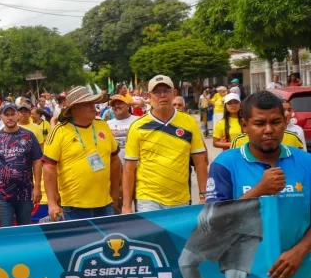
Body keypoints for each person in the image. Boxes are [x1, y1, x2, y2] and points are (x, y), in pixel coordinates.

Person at [184, 91, 311, 278]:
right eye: (259, 123)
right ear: (244, 125)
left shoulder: (305, 162)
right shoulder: (226, 165)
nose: (268, 130)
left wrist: (300, 250)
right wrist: (260, 190)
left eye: (275, 122)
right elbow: (215, 220)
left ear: (285, 121)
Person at [122, 75, 208, 213]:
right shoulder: (137, 126)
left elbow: (200, 162)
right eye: (156, 92)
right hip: (148, 198)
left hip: (180, 198)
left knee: (179, 235)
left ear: (174, 93)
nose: (162, 95)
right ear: (149, 96)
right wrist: (126, 206)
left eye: (166, 91)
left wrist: (204, 196)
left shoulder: (189, 122)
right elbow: (129, 169)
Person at [42, 86, 121, 221]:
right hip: (74, 207)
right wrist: (52, 203)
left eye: (93, 103)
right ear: (74, 108)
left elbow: (114, 160)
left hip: (105, 204)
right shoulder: (59, 131)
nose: (93, 107)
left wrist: (114, 194)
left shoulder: (102, 125)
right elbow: (49, 167)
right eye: (88, 104)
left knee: (105, 242)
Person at [0, 103, 43, 227]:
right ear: (1, 117)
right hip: (2, 194)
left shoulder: (29, 136)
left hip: (25, 193)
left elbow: (37, 160)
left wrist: (37, 187)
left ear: (18, 115)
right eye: (6, 115)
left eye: (12, 114)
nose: (10, 118)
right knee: (5, 231)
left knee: (24, 231)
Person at [106, 94, 138, 170]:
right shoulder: (106, 125)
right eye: (114, 105)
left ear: (127, 106)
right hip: (115, 169)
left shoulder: (138, 120)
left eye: (119, 103)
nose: (116, 106)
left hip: (136, 168)